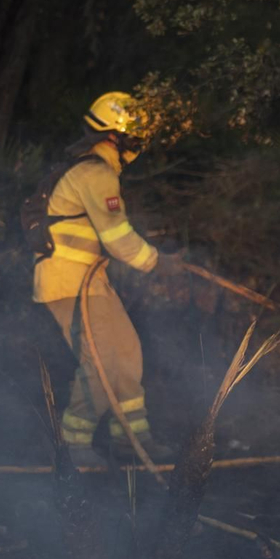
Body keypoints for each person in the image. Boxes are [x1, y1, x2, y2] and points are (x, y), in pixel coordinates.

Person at [31, 91, 171, 463]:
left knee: (127, 354)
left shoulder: (92, 170)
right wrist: (158, 263)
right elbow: (117, 239)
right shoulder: (95, 174)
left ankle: (131, 440)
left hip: (89, 283)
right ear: (114, 135)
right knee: (100, 363)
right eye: (134, 136)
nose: (138, 144)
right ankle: (72, 446)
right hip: (68, 283)